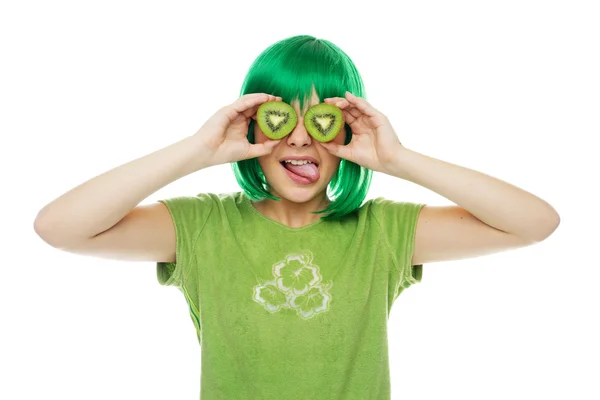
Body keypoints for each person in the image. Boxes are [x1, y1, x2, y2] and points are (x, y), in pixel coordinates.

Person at [33, 35, 560, 400]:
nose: (302, 137)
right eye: (281, 116)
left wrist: (398, 158)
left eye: (322, 120)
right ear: (253, 124)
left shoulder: (383, 233)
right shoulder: (202, 228)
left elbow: (534, 223)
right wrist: (198, 150)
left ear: (349, 132)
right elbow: (59, 227)